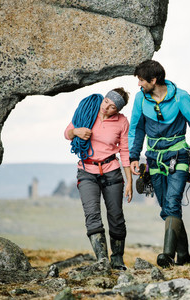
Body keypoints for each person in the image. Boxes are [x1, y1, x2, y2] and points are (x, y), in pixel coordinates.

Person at [129, 60, 190, 268]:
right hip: (153, 158)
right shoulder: (140, 99)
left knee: (172, 202)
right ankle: (184, 255)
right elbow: (137, 129)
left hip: (179, 157)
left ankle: (167, 255)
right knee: (166, 207)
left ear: (154, 80)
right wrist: (134, 157)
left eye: (142, 80)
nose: (139, 84)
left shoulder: (181, 97)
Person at [64, 88, 132, 270]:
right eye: (107, 101)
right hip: (86, 171)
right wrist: (76, 132)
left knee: (116, 216)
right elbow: (67, 133)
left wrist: (130, 182)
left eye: (112, 106)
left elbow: (125, 151)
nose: (107, 107)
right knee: (92, 215)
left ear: (118, 110)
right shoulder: (89, 109)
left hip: (112, 171)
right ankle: (102, 260)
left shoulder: (122, 122)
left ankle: (117, 259)